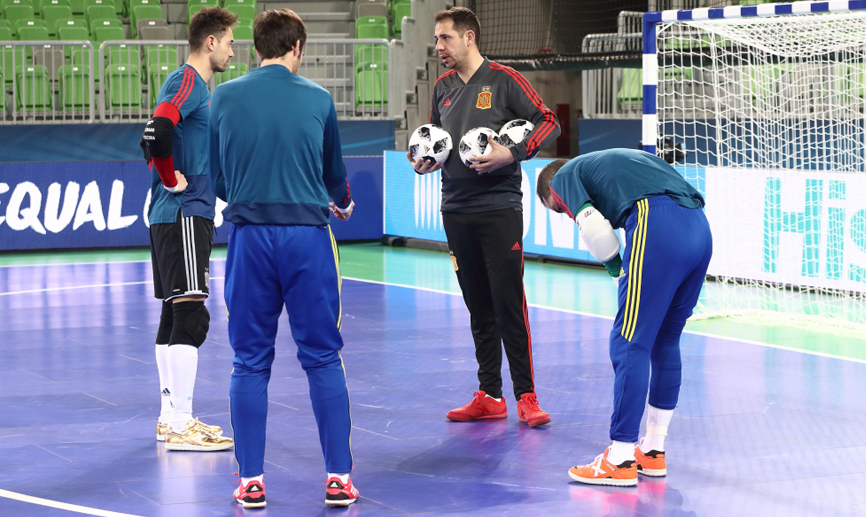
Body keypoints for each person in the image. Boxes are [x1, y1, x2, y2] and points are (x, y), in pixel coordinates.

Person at [208, 9, 358, 509]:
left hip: (250, 239)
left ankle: (251, 480)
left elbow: (220, 180)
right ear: (297, 47)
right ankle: (338, 477)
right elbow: (333, 174)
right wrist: (341, 197)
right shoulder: (318, 98)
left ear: (255, 48)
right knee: (321, 356)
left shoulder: (223, 97)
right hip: (307, 240)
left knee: (249, 362)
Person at [406, 7, 560, 427]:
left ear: (469, 37)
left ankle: (526, 395)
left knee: (508, 301)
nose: (438, 47)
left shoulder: (505, 79)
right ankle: (490, 393)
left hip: (500, 209)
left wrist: (511, 153)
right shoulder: (441, 88)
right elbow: (437, 143)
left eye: (445, 38)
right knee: (478, 305)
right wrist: (425, 162)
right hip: (455, 209)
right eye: (437, 40)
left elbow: (549, 122)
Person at [535, 148, 712, 486]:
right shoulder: (611, 163)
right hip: (699, 228)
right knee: (665, 339)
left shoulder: (563, 177)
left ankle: (619, 457)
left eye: (557, 209)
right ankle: (653, 451)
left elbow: (595, 228)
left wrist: (617, 272)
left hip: (657, 223)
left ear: (550, 194)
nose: (563, 212)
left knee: (629, 340)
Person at [139, 6, 237, 453]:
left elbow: (160, 135)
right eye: (231, 42)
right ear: (211, 42)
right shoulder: (187, 81)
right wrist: (168, 176)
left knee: (174, 311)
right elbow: (157, 129)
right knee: (191, 313)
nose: (234, 51)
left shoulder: (193, 87)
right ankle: (180, 422)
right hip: (184, 211)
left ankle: (169, 417)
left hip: (179, 212)